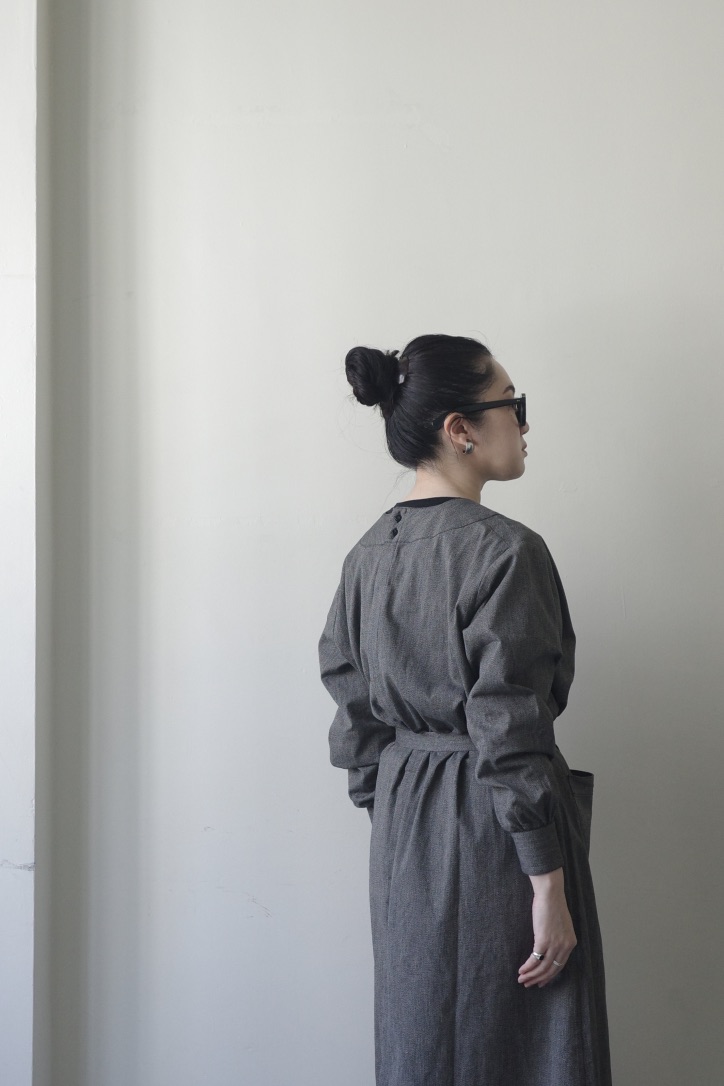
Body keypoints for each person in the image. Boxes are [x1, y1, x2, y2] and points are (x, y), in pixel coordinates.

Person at [318, 333, 612, 1086]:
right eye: (512, 404)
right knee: (526, 1047)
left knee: (424, 1043)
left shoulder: (365, 557)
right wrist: (547, 884)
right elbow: (508, 727)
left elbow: (353, 714)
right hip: (498, 838)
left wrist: (396, 813)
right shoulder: (506, 552)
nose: (523, 422)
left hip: (404, 837)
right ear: (460, 429)